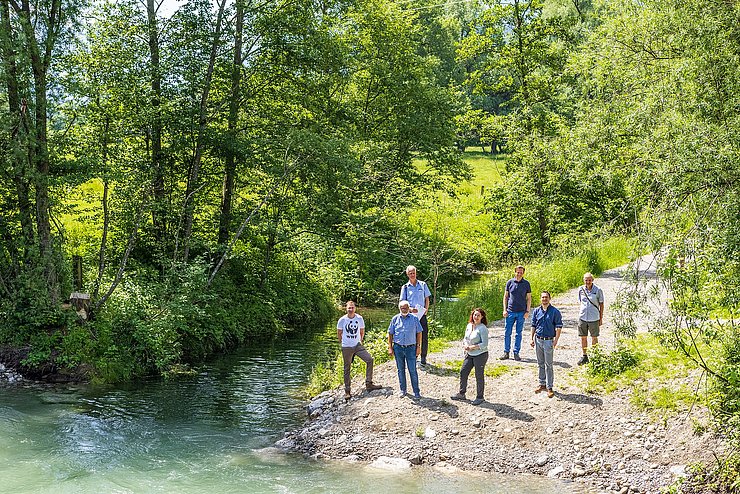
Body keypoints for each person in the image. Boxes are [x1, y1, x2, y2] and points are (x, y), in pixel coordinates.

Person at [337, 300, 382, 400]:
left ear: (355, 308)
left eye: (352, 307)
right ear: (346, 308)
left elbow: (362, 331)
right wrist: (342, 344)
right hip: (347, 347)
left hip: (357, 345)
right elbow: (339, 333)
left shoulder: (359, 318)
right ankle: (347, 391)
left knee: (369, 360)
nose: (351, 309)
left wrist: (360, 341)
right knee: (347, 368)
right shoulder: (342, 320)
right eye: (349, 308)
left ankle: (369, 383)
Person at [450, 308, 489, 405]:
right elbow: (465, 338)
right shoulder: (469, 326)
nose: (476, 317)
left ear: (482, 317)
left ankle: (480, 397)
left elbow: (484, 344)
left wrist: (472, 347)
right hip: (469, 354)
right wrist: (464, 345)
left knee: (479, 375)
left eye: (478, 315)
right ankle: (461, 393)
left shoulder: (483, 328)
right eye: (475, 315)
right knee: (463, 371)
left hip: (480, 355)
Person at [529, 291, 563, 398]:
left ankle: (550, 387)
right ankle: (542, 384)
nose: (544, 299)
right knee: (540, 363)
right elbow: (533, 325)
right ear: (540, 299)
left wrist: (556, 340)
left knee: (549, 364)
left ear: (549, 298)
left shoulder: (555, 312)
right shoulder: (536, 311)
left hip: (548, 340)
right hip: (538, 339)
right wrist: (531, 338)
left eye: (546, 297)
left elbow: (559, 327)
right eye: (543, 297)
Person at [387, 300, 423, 399]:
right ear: (399, 309)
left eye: (406, 308)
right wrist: (390, 347)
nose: (404, 309)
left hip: (411, 348)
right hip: (398, 347)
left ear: (409, 308)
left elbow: (419, 333)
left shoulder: (414, 319)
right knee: (400, 370)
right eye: (402, 308)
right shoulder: (395, 319)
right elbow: (390, 333)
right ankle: (403, 390)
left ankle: (416, 392)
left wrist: (418, 347)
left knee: (412, 370)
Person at [400, 265, 432, 366]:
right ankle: (413, 357)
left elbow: (427, 298)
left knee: (424, 336)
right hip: (410, 316)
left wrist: (426, 309)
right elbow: (402, 302)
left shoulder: (423, 285)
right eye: (410, 273)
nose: (412, 275)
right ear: (407, 274)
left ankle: (423, 357)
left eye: (413, 273)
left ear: (416, 273)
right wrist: (410, 309)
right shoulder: (405, 287)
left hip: (422, 315)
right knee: (411, 337)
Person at [501, 265, 532, 361]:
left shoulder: (526, 284)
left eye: (521, 272)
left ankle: (516, 352)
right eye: (517, 272)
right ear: (515, 272)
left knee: (519, 333)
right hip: (510, 311)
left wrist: (527, 311)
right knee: (507, 332)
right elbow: (505, 297)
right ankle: (506, 352)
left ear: (523, 273)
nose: (519, 274)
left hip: (521, 312)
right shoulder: (509, 283)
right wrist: (504, 309)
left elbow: (529, 298)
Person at [577, 272, 604, 365]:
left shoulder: (598, 290)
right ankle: (584, 356)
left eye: (589, 280)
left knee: (594, 337)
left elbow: (601, 304)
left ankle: (595, 356)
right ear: (583, 280)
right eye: (586, 280)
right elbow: (581, 301)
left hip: (594, 317)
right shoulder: (580, 289)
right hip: (583, 317)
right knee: (583, 337)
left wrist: (601, 318)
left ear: (592, 280)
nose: (587, 282)